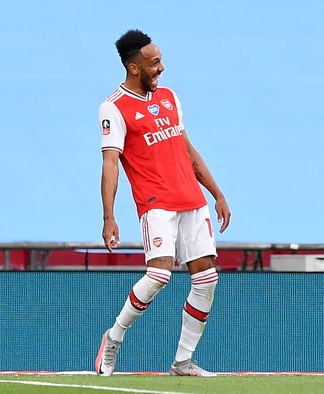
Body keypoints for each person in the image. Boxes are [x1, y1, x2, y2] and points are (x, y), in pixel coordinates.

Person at [95, 29, 231, 377]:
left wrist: (216, 193)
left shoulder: (169, 98)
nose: (162, 68)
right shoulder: (114, 107)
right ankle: (113, 337)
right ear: (134, 67)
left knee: (207, 280)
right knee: (158, 274)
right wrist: (109, 216)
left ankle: (182, 361)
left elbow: (187, 150)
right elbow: (111, 163)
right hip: (156, 204)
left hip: (192, 200)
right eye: (154, 63)